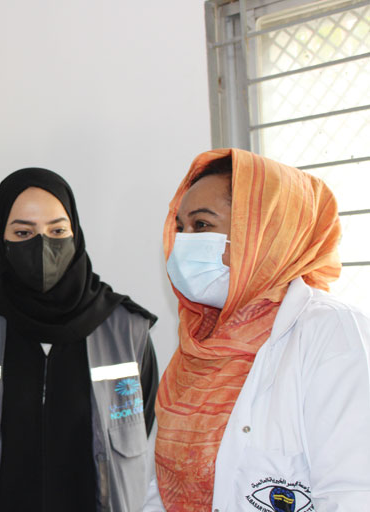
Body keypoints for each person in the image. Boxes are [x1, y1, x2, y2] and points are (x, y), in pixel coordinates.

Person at [144, 148, 370, 511]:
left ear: (265, 232)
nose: (183, 242)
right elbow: (161, 488)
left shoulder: (331, 331)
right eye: (180, 228)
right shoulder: (199, 341)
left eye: (201, 225)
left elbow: (353, 494)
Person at [0, 167, 158, 512]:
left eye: (57, 230)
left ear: (75, 233)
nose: (42, 245)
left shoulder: (126, 329)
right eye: (23, 232)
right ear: (0, 238)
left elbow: (137, 434)